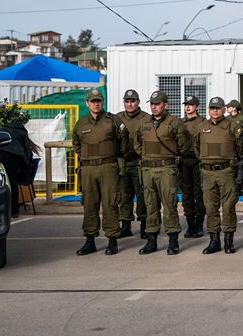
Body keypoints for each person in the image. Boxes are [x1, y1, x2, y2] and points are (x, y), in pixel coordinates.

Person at [133, 91, 193, 255]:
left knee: (169, 205)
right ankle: (151, 241)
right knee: (150, 205)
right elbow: (137, 144)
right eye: (152, 104)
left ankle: (173, 241)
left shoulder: (175, 123)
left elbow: (184, 146)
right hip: (147, 169)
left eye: (157, 104)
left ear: (165, 105)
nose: (154, 107)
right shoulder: (143, 123)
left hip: (167, 169)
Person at [72, 89, 124, 256]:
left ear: (103, 102)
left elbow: (124, 143)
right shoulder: (81, 124)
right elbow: (77, 145)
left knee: (110, 203)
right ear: (87, 103)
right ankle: (90, 240)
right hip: (87, 168)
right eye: (92, 101)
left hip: (108, 166)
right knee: (89, 204)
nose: (96, 104)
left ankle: (112, 240)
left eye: (99, 101)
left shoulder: (113, 121)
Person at [193, 97, 243, 255]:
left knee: (229, 206)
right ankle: (214, 240)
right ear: (208, 109)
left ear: (224, 109)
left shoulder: (233, 126)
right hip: (208, 173)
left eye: (218, 108)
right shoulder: (201, 127)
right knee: (210, 208)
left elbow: (241, 150)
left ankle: (228, 241)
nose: (215, 111)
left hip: (226, 172)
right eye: (212, 108)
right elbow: (196, 149)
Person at [114, 89, 150, 239]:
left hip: (139, 162)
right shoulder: (117, 118)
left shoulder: (146, 118)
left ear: (138, 102)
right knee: (124, 195)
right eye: (127, 101)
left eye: (132, 101)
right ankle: (126, 225)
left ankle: (144, 225)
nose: (130, 104)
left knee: (142, 194)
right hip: (123, 162)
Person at [179, 95, 207, 239]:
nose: (188, 107)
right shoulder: (181, 123)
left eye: (191, 105)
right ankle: (190, 225)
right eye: (186, 104)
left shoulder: (202, 122)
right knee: (187, 193)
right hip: (184, 161)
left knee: (199, 192)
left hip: (197, 160)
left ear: (197, 107)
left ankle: (199, 224)